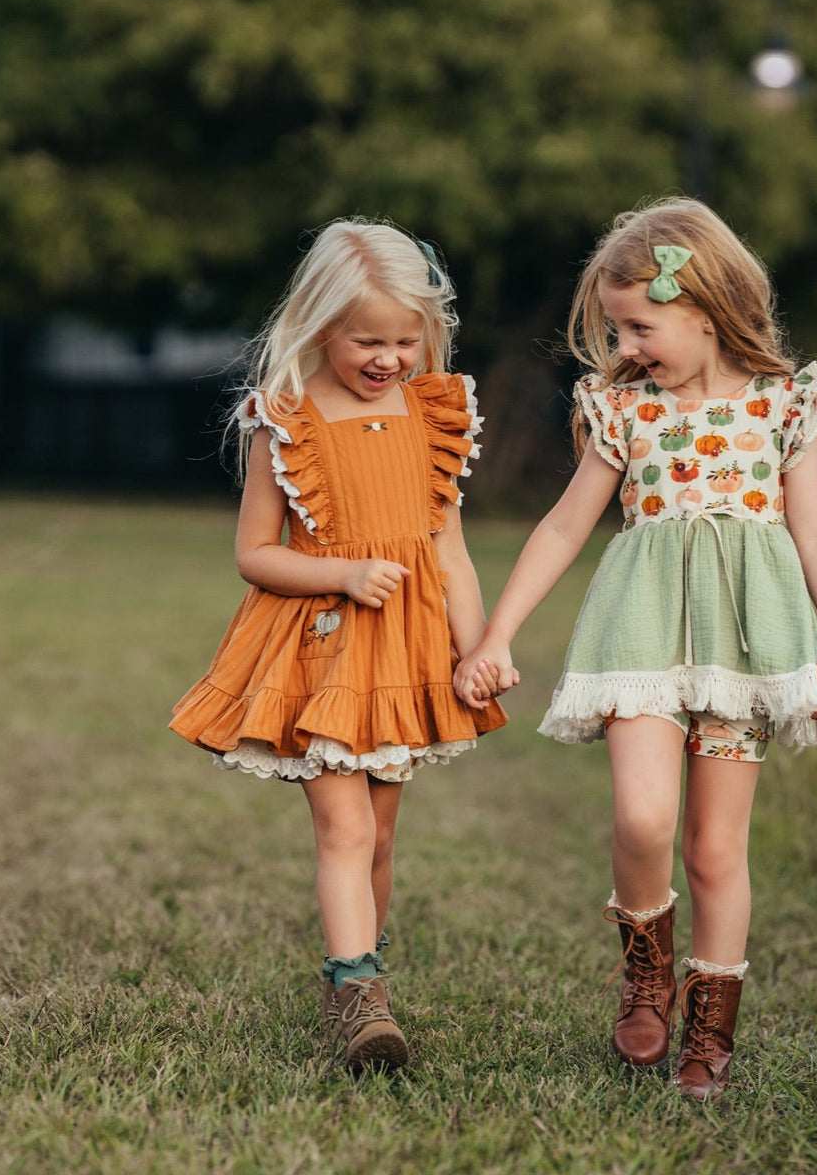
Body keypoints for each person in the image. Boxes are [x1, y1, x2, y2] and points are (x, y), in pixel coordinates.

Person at [454, 197, 817, 1100]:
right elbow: (564, 528)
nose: (625, 344)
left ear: (704, 310)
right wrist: (499, 631)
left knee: (716, 847)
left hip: (744, 649)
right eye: (614, 326)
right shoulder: (623, 409)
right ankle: (645, 974)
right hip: (638, 636)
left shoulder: (783, 406)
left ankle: (709, 1034)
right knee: (643, 820)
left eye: (639, 324)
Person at [171, 219, 506, 1072]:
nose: (389, 357)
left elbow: (449, 550)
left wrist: (478, 647)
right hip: (322, 642)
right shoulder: (286, 419)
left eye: (405, 339)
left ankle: (349, 980)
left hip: (407, 650)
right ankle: (363, 998)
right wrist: (344, 573)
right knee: (344, 828)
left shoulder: (433, 411)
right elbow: (255, 553)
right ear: (322, 324)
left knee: (382, 836)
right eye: (369, 340)